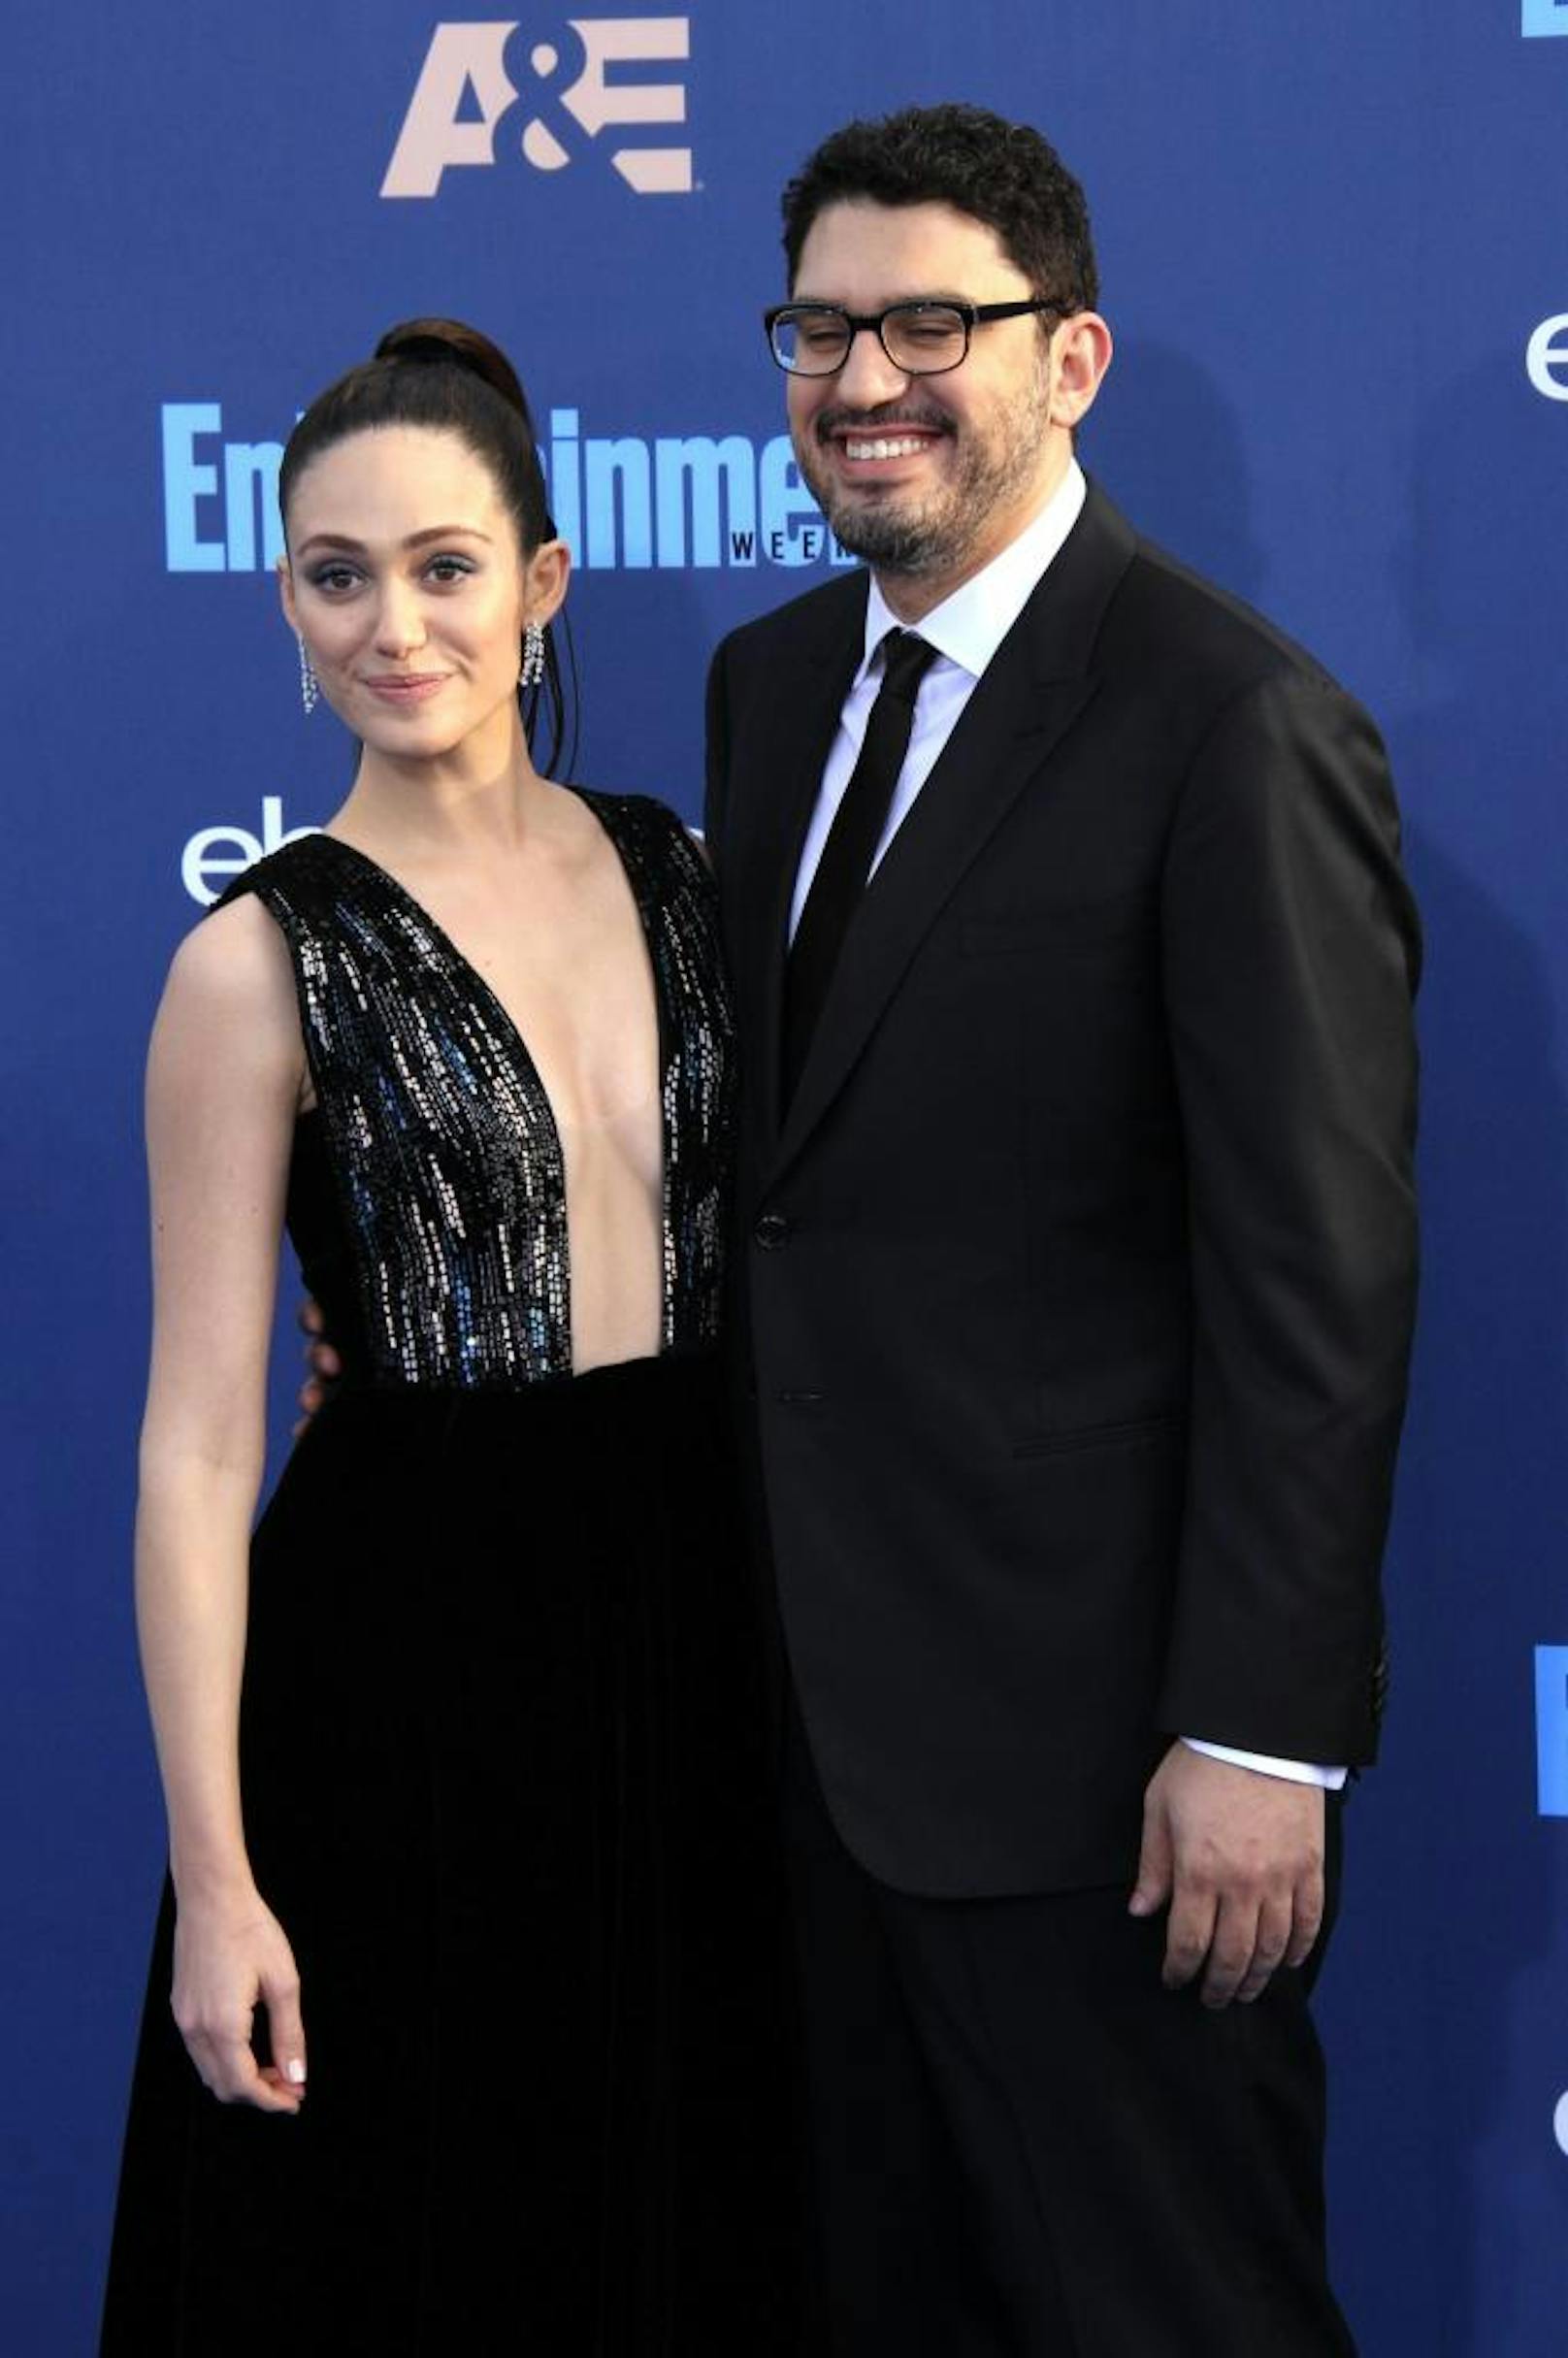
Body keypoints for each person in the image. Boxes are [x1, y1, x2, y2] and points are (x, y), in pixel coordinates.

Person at [702, 105, 1421, 2354]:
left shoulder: (1232, 724)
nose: (865, 378)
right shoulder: (766, 684)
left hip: (1108, 1784)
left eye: (934, 322)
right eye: (820, 326)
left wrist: (1259, 1735)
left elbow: (1317, 1277)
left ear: (1071, 360)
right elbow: (775, 1177)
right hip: (802, 1750)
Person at [101, 319, 800, 2354]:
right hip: (403, 1666)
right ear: (284, 602)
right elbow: (196, 1450)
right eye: (334, 573)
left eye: (442, 565)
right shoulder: (253, 961)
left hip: (701, 1622)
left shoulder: (680, 873)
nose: (390, 623)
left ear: (542, 582)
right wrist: (217, 1878)